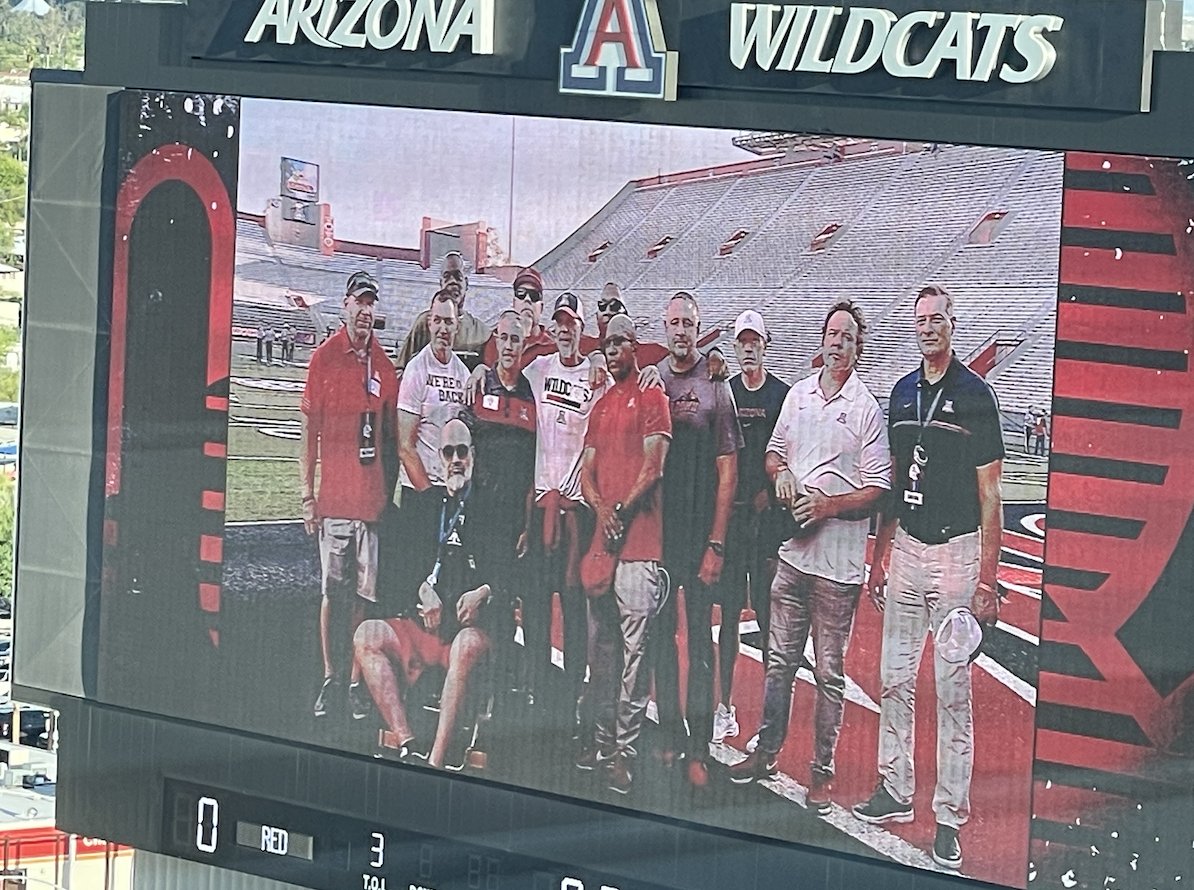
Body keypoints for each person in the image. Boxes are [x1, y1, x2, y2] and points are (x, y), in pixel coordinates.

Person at [853, 284, 1004, 872]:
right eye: (921, 320)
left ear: (952, 325)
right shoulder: (900, 392)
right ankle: (894, 788)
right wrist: (880, 555)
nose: (929, 327)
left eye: (938, 318)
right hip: (909, 549)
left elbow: (991, 496)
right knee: (892, 678)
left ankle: (948, 816)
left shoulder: (976, 395)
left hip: (957, 553)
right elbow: (892, 484)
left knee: (952, 691)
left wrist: (988, 580)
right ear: (914, 328)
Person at [728, 302, 890, 821]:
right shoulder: (798, 395)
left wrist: (827, 505)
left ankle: (822, 769)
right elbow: (773, 452)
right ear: (820, 340)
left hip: (838, 567)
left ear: (858, 346)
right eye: (830, 332)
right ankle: (768, 750)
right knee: (778, 661)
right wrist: (780, 476)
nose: (836, 341)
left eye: (846, 335)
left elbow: (879, 487)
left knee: (829, 672)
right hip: (793, 554)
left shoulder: (866, 407)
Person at [354, 419, 507, 770]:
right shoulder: (424, 506)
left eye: (462, 451)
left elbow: (511, 574)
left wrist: (482, 592)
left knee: (467, 644)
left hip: (467, 632)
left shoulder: (493, 508)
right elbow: (397, 571)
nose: (456, 459)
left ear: (473, 456)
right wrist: (422, 589)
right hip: (424, 627)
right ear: (438, 458)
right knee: (366, 635)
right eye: (448, 452)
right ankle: (407, 744)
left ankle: (434, 763)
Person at [577, 314, 672, 794]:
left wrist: (618, 510)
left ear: (635, 347)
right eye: (607, 343)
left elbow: (653, 467)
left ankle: (624, 752)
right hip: (605, 541)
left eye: (620, 342)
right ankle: (600, 743)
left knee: (636, 656)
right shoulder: (600, 404)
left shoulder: (653, 397)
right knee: (604, 652)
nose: (612, 350)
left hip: (640, 545)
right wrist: (601, 510)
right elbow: (585, 472)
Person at [301, 271, 398, 720]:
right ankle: (328, 675)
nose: (365, 311)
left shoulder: (383, 365)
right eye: (359, 302)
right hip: (335, 501)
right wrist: (307, 494)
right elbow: (309, 431)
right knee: (331, 594)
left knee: (363, 595)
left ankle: (357, 680)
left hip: (370, 501)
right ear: (345, 305)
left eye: (371, 304)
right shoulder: (323, 358)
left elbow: (392, 435)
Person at [655, 291, 743, 786]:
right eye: (674, 322)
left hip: (700, 537)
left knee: (701, 646)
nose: (682, 330)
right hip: (660, 538)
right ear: (665, 328)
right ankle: (669, 734)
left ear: (699, 327)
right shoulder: (655, 380)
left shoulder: (716, 388)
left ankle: (698, 745)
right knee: (661, 640)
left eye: (689, 322)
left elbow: (727, 473)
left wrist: (716, 543)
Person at [517, 292, 606, 733]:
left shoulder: (597, 374)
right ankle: (535, 687)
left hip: (577, 509)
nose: (565, 329)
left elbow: (635, 377)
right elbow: (503, 366)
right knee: (535, 606)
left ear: (583, 328)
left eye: (573, 322)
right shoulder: (538, 369)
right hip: (540, 506)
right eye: (560, 322)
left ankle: (573, 695)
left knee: (574, 610)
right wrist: (477, 367)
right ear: (552, 328)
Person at [716, 310, 790, 746]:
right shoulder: (724, 392)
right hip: (732, 517)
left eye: (754, 341)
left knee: (768, 617)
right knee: (726, 615)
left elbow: (789, 452)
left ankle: (768, 711)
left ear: (765, 345)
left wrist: (769, 488)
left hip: (765, 523)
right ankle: (723, 707)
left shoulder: (782, 395)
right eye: (741, 342)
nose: (747, 348)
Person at [460, 310, 538, 696]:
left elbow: (532, 468)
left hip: (511, 521)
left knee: (505, 600)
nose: (509, 346)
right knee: (474, 597)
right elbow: (457, 444)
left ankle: (501, 686)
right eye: (505, 338)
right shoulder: (479, 386)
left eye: (516, 340)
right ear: (497, 339)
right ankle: (469, 680)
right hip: (478, 515)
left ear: (524, 345)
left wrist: (526, 522)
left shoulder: (531, 393)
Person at [393, 289, 472, 608]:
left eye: (449, 322)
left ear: (457, 326)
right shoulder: (416, 370)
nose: (443, 328)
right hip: (421, 493)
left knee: (449, 580)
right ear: (429, 323)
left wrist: (456, 489)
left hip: (452, 492)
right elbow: (404, 445)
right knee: (417, 581)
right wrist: (429, 493)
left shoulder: (463, 374)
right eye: (438, 320)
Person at [395, 251, 491, 373]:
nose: (452, 281)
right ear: (441, 283)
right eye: (447, 277)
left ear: (466, 284)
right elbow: (400, 368)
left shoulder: (481, 332)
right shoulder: (425, 322)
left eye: (458, 276)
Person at [480, 267, 556, 369]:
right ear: (514, 303)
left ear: (541, 308)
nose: (527, 299)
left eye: (534, 296)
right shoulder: (496, 341)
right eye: (521, 294)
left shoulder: (552, 345)